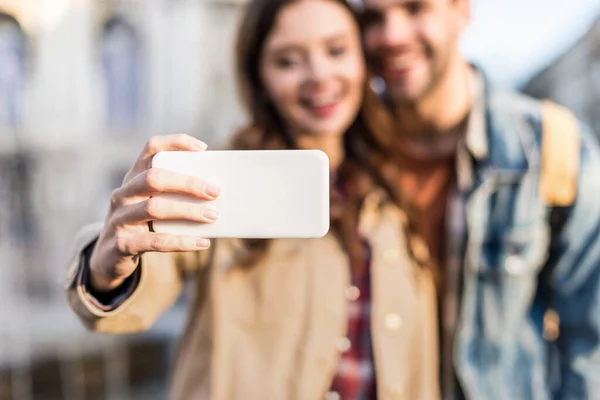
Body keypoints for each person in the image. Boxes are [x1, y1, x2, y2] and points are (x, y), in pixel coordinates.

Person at [65, 0, 439, 399]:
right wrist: (107, 267)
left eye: (336, 51)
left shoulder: (398, 182)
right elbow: (147, 278)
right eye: (287, 61)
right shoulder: (218, 178)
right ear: (259, 76)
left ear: (363, 61)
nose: (319, 75)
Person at [356, 0, 600, 398]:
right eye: (373, 18)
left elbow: (590, 349)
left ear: (462, 11)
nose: (392, 35)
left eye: (415, 8)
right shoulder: (345, 153)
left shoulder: (553, 147)